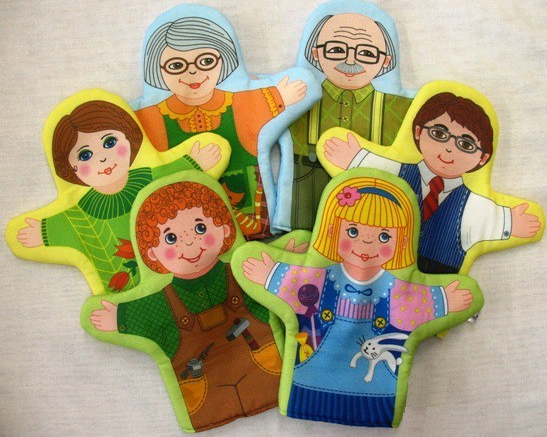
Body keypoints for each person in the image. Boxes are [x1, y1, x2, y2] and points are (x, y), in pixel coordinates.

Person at [241, 176, 480, 426]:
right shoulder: (320, 276)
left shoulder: (397, 287)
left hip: (376, 394)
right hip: (309, 384)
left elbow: (417, 301)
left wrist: (445, 300)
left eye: (384, 237)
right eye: (353, 231)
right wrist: (270, 274)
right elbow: (299, 284)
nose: (366, 243)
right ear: (331, 230)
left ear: (402, 241)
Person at [88, 179, 282, 432]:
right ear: (152, 254)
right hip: (208, 401)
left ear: (225, 229)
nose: (189, 244)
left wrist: (282, 261)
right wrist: (118, 316)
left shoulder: (243, 269)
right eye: (171, 238)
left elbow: (272, 273)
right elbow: (143, 313)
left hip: (270, 378)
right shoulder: (161, 301)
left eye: (200, 228)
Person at [323, 91, 542, 274]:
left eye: (465, 145)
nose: (449, 148)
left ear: (483, 158)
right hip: (376, 270)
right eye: (439, 133)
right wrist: (355, 158)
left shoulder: (471, 204)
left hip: (435, 286)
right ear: (418, 132)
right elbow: (377, 169)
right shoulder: (397, 171)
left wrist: (510, 222)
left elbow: (488, 216)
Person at [17, 100, 220, 293]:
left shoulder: (152, 176)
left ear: (129, 139)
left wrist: (194, 163)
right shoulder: (81, 214)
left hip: (190, 270)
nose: (103, 158)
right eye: (85, 155)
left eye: (110, 142)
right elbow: (66, 223)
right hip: (132, 292)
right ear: (71, 169)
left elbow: (173, 175)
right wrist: (43, 232)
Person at [135, 16, 307, 238]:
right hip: (185, 234)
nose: (192, 73)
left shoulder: (238, 102)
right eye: (176, 66)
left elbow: (293, 90)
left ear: (223, 59)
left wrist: (281, 94)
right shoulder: (151, 116)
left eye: (206, 61)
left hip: (248, 220)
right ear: (157, 69)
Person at [289, 11, 414, 229]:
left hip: (372, 202)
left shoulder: (399, 106)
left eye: (366, 53)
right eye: (337, 50)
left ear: (385, 61)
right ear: (316, 53)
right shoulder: (297, 95)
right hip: (306, 192)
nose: (350, 60)